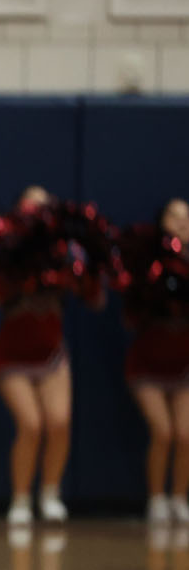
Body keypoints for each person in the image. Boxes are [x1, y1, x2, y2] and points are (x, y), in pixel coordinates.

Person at [0, 186, 83, 527]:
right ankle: (21, 498)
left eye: (44, 205)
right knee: (31, 424)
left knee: (58, 423)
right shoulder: (5, 252)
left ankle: (51, 493)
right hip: (12, 355)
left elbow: (93, 295)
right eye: (30, 205)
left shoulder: (64, 251)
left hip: (51, 353)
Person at [124, 198, 189, 524]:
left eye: (187, 218)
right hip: (149, 361)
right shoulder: (148, 263)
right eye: (174, 216)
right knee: (163, 431)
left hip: (184, 363)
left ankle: (179, 498)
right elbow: (129, 314)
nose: (181, 222)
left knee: (186, 434)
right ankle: (156, 498)